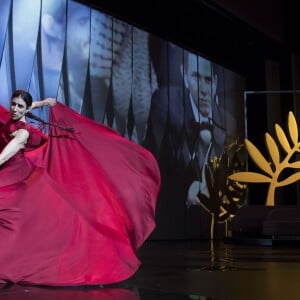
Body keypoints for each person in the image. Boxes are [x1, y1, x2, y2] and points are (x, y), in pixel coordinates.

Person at [0, 89, 160, 286]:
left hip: (14, 178)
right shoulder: (13, 117)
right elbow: (29, 107)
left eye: (19, 106)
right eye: (13, 104)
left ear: (24, 109)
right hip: (10, 175)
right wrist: (43, 103)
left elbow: (4, 156)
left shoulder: (23, 132)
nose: (14, 109)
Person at [145, 50, 236, 205]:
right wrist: (188, 188)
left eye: (208, 80)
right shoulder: (165, 105)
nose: (203, 90)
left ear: (216, 82)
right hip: (177, 214)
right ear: (185, 76)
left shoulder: (229, 122)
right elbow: (157, 166)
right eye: (196, 77)